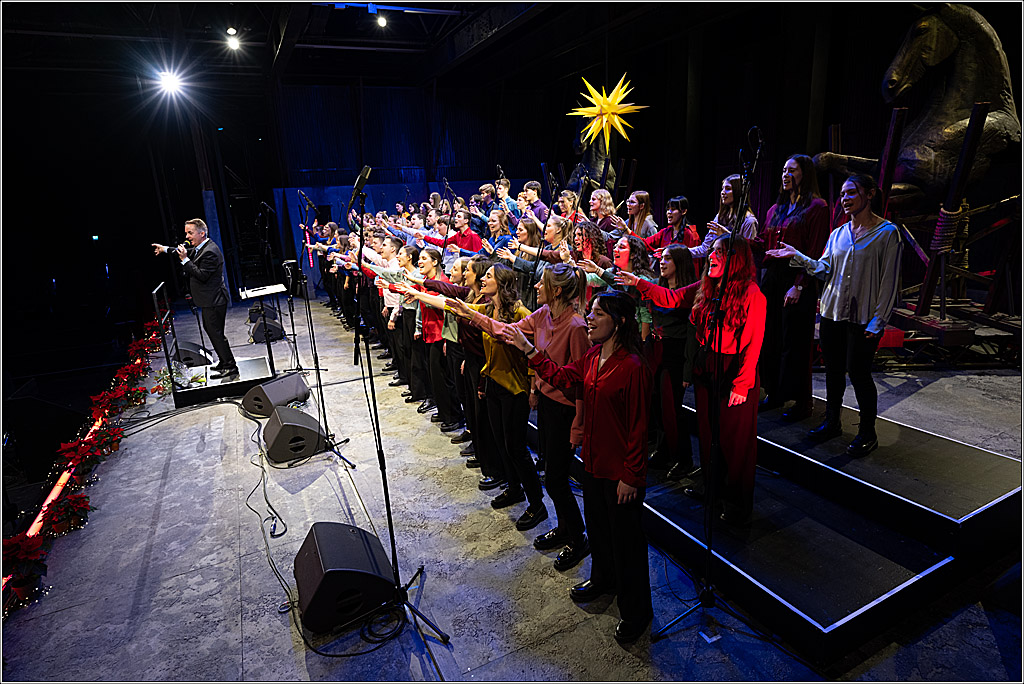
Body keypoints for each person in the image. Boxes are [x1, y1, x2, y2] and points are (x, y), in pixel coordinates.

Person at [501, 290, 653, 644]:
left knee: (626, 542)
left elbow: (639, 428)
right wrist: (529, 350)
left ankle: (637, 610)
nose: (590, 320)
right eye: (591, 312)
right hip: (595, 463)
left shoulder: (633, 366)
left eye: (598, 314)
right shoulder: (593, 356)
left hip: (621, 473)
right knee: (599, 530)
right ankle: (603, 581)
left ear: (620, 322)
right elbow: (564, 378)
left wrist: (631, 476)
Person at [453, 264, 591, 570]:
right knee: (552, 476)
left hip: (567, 411)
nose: (536, 287)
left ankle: (578, 537)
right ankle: (567, 528)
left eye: (542, 284)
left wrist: (579, 424)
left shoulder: (577, 327)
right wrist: (470, 313)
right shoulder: (543, 316)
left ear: (556, 291)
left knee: (556, 478)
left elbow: (582, 380)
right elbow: (505, 332)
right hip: (547, 404)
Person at [622, 236, 766, 524]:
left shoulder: (752, 294)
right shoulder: (706, 287)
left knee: (735, 443)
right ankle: (712, 490)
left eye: (720, 253)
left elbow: (754, 343)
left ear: (735, 259)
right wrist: (639, 283)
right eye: (711, 252)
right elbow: (671, 298)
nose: (711, 257)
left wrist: (742, 383)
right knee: (709, 434)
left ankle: (737, 505)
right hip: (706, 365)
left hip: (733, 370)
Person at [766, 174, 902, 456]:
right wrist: (798, 255)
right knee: (833, 372)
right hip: (832, 313)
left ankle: (867, 431)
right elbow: (823, 268)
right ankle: (832, 421)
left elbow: (889, 282)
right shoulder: (838, 233)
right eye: (842, 194)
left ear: (869, 194)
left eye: (852, 192)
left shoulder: (887, 233)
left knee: (860, 373)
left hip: (863, 318)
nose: (845, 199)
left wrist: (879, 321)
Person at [449, 264, 547, 531]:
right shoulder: (489, 309)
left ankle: (537, 505)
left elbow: (532, 355)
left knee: (516, 448)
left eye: (488, 276)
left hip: (515, 389)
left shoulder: (521, 313)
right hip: (492, 383)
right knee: (502, 443)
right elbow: (456, 308)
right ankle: (514, 489)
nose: (482, 279)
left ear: (502, 283)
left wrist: (533, 389)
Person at [757, 154, 830, 419]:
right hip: (773, 279)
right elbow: (763, 242)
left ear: (805, 174)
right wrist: (734, 239)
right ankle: (775, 393)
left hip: (797, 280)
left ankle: (802, 402)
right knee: (772, 338)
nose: (785, 175)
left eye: (792, 170)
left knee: (796, 342)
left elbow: (816, 250)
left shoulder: (817, 207)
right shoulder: (775, 209)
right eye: (783, 170)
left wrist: (800, 285)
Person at [152, 219, 236, 379]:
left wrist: (185, 260)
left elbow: (202, 275)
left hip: (214, 300)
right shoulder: (200, 248)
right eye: (186, 233)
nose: (187, 236)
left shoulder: (210, 251)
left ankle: (230, 367)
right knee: (213, 332)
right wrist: (164, 249)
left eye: (190, 233)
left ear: (201, 233)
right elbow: (182, 252)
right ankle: (225, 362)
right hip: (209, 300)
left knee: (216, 334)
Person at [647, 245, 700, 480]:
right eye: (661, 257)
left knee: (672, 408)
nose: (662, 261)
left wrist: (688, 370)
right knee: (657, 404)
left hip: (676, 352)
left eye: (668, 258)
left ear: (680, 263)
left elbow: (691, 333)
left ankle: (684, 459)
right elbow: (648, 313)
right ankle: (665, 449)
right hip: (656, 349)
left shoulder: (688, 294)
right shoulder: (659, 288)